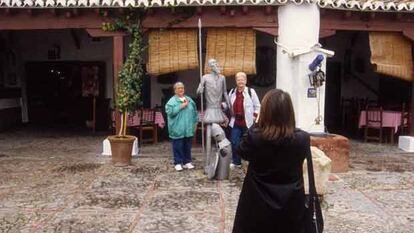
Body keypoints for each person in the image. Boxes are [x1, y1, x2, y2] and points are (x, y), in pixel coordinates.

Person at [232, 89, 309, 233]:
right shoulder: (303, 139)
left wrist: (257, 123)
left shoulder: (256, 138)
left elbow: (241, 150)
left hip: (257, 204)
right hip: (291, 204)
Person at [228, 72, 260, 169]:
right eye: (238, 79)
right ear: (236, 81)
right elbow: (228, 104)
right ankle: (236, 161)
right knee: (234, 142)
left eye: (242, 79)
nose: (240, 81)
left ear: (245, 81)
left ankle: (249, 161)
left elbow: (258, 106)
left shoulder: (251, 92)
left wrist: (254, 117)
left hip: (248, 123)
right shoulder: (232, 92)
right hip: (236, 122)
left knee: (249, 142)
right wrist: (223, 106)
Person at [165, 82, 198, 171]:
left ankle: (187, 161)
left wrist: (195, 122)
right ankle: (178, 162)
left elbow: (195, 112)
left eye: (182, 88)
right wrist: (180, 106)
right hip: (177, 128)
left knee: (187, 146)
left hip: (188, 128)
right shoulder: (171, 101)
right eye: (178, 88)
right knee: (178, 146)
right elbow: (170, 113)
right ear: (175, 90)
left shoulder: (189, 100)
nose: (181, 90)